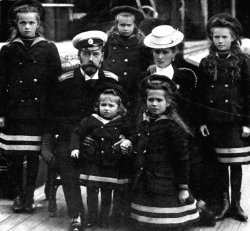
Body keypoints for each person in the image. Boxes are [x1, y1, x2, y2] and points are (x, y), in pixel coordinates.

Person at [41, 30, 119, 231]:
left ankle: (113, 213)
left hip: (104, 138)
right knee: (66, 158)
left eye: (95, 54)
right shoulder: (65, 81)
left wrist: (97, 136)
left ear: (103, 56)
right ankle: (76, 215)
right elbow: (56, 116)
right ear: (79, 56)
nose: (90, 59)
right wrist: (79, 137)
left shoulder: (112, 81)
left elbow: (120, 115)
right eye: (86, 54)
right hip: (72, 138)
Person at [143, 25, 215, 226]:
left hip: (182, 130)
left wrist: (198, 124)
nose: (160, 56)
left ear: (174, 52)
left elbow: (196, 104)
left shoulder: (187, 75)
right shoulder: (147, 76)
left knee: (190, 162)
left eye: (165, 51)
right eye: (157, 51)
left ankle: (193, 208)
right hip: (155, 132)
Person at [0, 0, 61, 213]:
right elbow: (1, 82)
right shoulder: (8, 50)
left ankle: (29, 196)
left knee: (34, 156)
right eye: (22, 23)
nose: (27, 27)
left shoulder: (48, 48)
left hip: (38, 112)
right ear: (16, 25)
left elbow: (55, 84)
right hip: (15, 111)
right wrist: (1, 112)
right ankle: (18, 195)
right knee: (15, 156)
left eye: (31, 23)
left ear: (38, 24)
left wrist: (52, 112)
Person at [197, 13, 250, 222]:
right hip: (213, 121)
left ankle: (236, 204)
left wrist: (248, 122)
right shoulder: (206, 62)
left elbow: (249, 93)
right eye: (216, 37)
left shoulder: (244, 62)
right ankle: (224, 203)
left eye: (225, 37)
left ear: (233, 38)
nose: (220, 41)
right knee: (218, 164)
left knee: (235, 163)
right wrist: (201, 120)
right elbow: (200, 94)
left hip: (235, 121)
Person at [131, 74, 199, 231]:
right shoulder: (145, 123)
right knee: (146, 220)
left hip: (167, 180)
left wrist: (183, 188)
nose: (154, 104)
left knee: (168, 222)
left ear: (168, 102)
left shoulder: (173, 127)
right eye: (150, 100)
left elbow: (182, 159)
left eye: (159, 100)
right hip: (147, 179)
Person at [70, 83, 136, 228]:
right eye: (103, 105)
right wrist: (75, 148)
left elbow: (133, 134)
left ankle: (104, 218)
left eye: (111, 106)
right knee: (91, 191)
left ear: (119, 108)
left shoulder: (122, 122)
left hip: (111, 163)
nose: (106, 108)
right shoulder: (91, 120)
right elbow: (77, 133)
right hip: (93, 163)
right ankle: (91, 217)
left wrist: (127, 141)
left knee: (107, 192)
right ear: (97, 106)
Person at [103, 0, 151, 116]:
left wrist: (151, 65)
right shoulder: (109, 39)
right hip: (114, 83)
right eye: (122, 25)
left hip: (134, 82)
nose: (125, 28)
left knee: (133, 109)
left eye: (129, 25)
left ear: (134, 25)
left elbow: (147, 58)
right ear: (116, 25)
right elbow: (103, 56)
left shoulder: (141, 40)